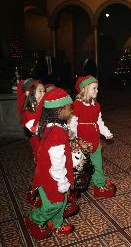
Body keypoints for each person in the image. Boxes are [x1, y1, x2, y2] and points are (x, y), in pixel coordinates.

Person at [24, 88, 75, 239]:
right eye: (69, 108)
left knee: (62, 199)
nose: (71, 110)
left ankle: (57, 224)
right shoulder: (57, 132)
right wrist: (62, 182)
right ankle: (34, 219)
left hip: (50, 172)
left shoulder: (52, 126)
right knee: (55, 203)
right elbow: (57, 162)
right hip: (52, 175)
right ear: (59, 110)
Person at [70, 75, 116, 198]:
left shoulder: (96, 105)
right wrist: (73, 138)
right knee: (79, 165)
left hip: (95, 140)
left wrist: (106, 133)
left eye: (97, 88)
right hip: (81, 141)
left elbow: (99, 122)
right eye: (94, 88)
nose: (97, 91)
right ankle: (73, 188)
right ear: (84, 90)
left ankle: (99, 186)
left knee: (97, 164)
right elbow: (73, 122)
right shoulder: (77, 104)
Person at [17, 78, 45, 207]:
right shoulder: (28, 113)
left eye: (44, 91)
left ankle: (46, 193)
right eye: (40, 91)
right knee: (43, 168)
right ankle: (36, 193)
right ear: (30, 94)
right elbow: (36, 130)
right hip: (39, 144)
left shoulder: (43, 107)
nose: (44, 94)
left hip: (47, 142)